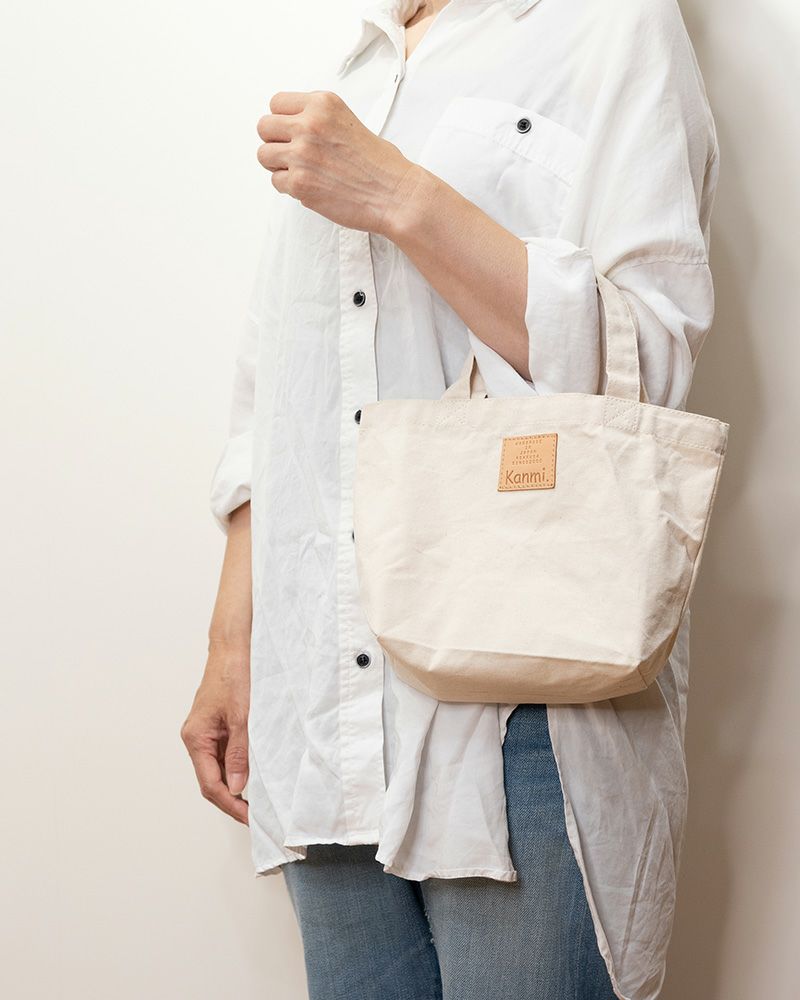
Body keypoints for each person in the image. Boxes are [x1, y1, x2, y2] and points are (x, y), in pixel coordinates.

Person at [180, 1, 719, 997]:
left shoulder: (614, 25)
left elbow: (648, 359)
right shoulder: (364, 60)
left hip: (520, 704)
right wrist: (230, 648)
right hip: (322, 715)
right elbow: (277, 396)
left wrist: (402, 196)